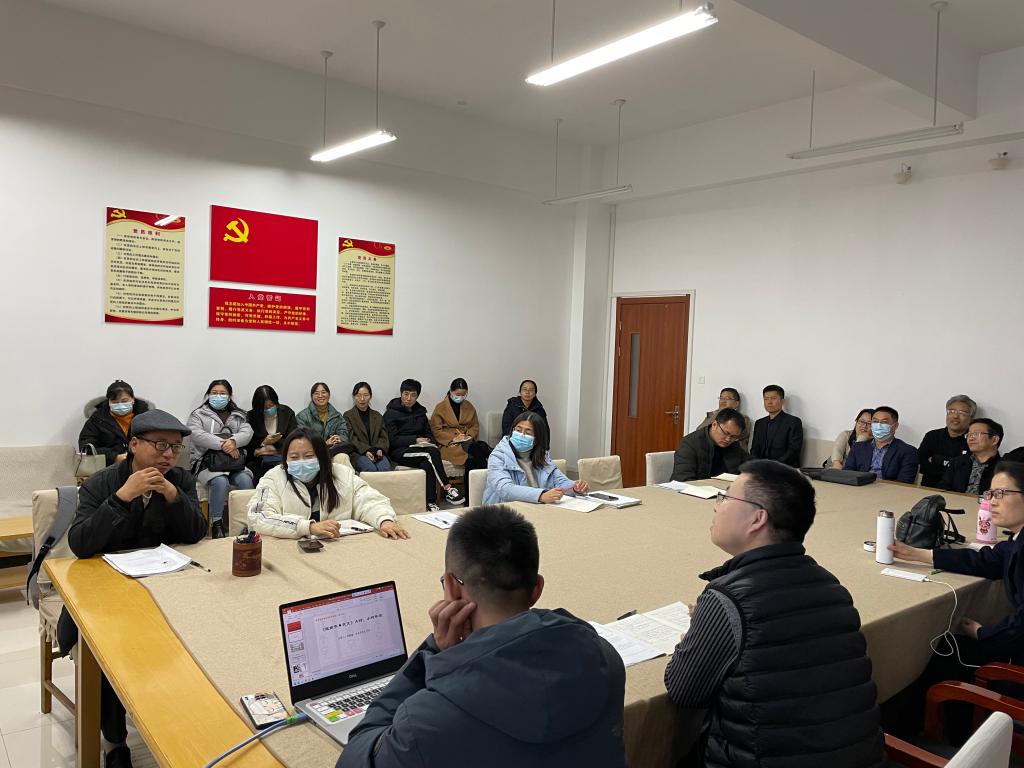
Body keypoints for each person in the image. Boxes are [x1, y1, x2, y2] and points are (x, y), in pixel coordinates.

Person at [339, 504, 628, 768]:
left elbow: (355, 757)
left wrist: (433, 653)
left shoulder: (426, 721)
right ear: (537, 589)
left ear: (452, 588)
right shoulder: (606, 658)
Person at [664, 460, 886, 767]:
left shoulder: (728, 598)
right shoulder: (831, 586)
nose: (716, 506)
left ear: (757, 518)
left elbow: (683, 691)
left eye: (725, 497)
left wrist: (694, 638)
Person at [61, 410, 206, 768]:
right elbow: (80, 544)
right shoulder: (101, 483)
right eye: (160, 445)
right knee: (111, 649)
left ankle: (183, 719)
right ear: (134, 444)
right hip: (106, 594)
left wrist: (173, 496)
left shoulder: (180, 480)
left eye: (175, 447)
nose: (168, 455)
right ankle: (114, 743)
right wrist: (121, 498)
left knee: (203, 632)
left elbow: (196, 533)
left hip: (164, 590)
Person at [888, 461, 1024, 742]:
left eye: (1001, 494)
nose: (991, 502)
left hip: (1019, 663)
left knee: (944, 650)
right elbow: (984, 560)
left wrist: (983, 633)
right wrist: (917, 554)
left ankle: (945, 741)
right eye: (990, 494)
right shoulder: (1017, 541)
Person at [246, 428, 408, 540]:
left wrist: (384, 520)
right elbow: (258, 517)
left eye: (309, 456)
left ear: (322, 456)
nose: (301, 462)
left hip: (338, 549)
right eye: (294, 457)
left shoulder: (342, 474)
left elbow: (370, 501)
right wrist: (308, 527)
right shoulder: (273, 478)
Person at [187, 379, 254, 538]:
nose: (218, 396)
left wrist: (234, 442)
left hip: (234, 464)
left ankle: (247, 523)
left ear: (230, 396)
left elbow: (247, 432)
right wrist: (225, 445)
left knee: (245, 479)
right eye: (214, 393)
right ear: (208, 395)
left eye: (222, 393)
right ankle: (216, 523)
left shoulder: (239, 415)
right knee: (220, 480)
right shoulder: (198, 414)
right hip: (206, 463)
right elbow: (196, 434)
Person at [384, 379, 465, 510]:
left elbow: (429, 433)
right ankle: (448, 488)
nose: (409, 398)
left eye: (413, 395)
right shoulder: (390, 414)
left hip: (420, 450)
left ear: (417, 396)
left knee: (427, 464)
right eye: (406, 394)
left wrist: (428, 441)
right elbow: (392, 440)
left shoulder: (420, 412)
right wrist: (415, 440)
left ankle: (431, 502)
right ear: (401, 393)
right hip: (400, 452)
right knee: (432, 453)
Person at [483, 412, 588, 504]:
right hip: (504, 511)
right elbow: (505, 489)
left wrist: (575, 487)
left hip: (537, 507)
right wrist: (541, 496)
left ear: (537, 439)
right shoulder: (498, 455)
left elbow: (560, 482)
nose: (521, 435)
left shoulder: (542, 456)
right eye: (518, 430)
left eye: (528, 432)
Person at [430, 378, 492, 495]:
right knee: (478, 449)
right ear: (451, 392)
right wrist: (453, 438)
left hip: (466, 440)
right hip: (449, 445)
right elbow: (436, 430)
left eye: (463, 395)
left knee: (471, 461)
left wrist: (468, 435)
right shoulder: (440, 407)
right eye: (457, 394)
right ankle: (489, 460)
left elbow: (475, 425)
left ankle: (469, 499)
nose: (460, 397)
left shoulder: (469, 406)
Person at [78, 380, 151, 467]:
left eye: (124, 401)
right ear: (108, 402)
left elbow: (157, 441)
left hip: (145, 464)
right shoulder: (97, 420)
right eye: (115, 402)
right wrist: (113, 457)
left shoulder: (147, 417)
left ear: (133, 399)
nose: (120, 405)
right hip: (109, 468)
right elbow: (86, 447)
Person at [843, 406, 919, 483]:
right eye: (875, 421)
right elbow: (848, 473)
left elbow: (904, 482)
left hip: (889, 489)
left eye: (884, 422)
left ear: (895, 426)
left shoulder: (908, 451)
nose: (878, 425)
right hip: (860, 486)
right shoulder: (858, 447)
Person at [672, 408, 750, 482]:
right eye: (726, 433)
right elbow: (683, 479)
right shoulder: (690, 444)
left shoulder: (733, 444)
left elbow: (750, 464)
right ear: (714, 424)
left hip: (723, 488)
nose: (728, 439)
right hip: (695, 489)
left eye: (733, 437)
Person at [917, 395, 976, 488]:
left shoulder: (974, 440)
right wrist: (952, 468)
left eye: (962, 413)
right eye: (951, 411)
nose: (955, 416)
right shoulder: (932, 436)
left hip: (958, 492)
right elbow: (921, 464)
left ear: (971, 419)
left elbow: (969, 472)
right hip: (929, 488)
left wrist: (936, 463)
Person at [245, 384, 297, 482]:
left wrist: (273, 448)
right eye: (265, 407)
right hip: (259, 461)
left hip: (283, 457)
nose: (269, 409)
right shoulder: (251, 416)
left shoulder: (287, 412)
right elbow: (248, 444)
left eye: (271, 405)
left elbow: (293, 439)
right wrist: (263, 442)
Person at [939, 418, 1003, 495]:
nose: (971, 438)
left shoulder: (1005, 468)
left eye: (976, 434)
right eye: (969, 434)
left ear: (994, 440)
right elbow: (943, 488)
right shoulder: (957, 462)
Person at [749, 385, 803, 467]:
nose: (769, 402)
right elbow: (754, 449)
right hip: (761, 468)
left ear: (782, 401)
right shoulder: (759, 423)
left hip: (785, 468)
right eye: (766, 399)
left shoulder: (793, 422)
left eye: (773, 398)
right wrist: (756, 464)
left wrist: (773, 466)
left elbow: (793, 451)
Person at [296, 382, 355, 458]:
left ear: (329, 395)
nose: (320, 396)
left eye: (323, 392)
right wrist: (324, 443)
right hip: (312, 454)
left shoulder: (337, 416)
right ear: (312, 396)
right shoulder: (302, 416)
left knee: (343, 457)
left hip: (333, 452)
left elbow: (344, 435)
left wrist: (338, 439)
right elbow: (302, 440)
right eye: (316, 393)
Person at [343, 381, 391, 472]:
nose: (362, 399)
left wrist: (379, 449)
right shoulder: (348, 416)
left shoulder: (377, 415)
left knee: (384, 469)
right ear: (354, 397)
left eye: (365, 395)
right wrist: (366, 450)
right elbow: (351, 438)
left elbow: (383, 436)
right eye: (358, 395)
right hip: (358, 453)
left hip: (377, 452)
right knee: (370, 469)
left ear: (370, 396)